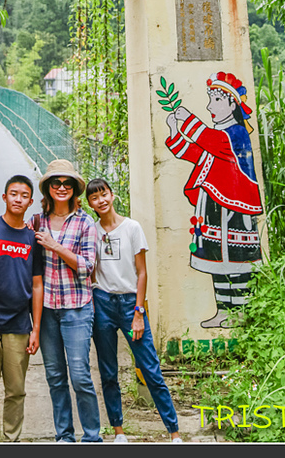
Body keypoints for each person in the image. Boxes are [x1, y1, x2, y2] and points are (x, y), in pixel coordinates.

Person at [86, 177, 182, 444]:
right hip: (102, 301)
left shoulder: (132, 228)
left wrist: (139, 312)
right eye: (94, 198)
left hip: (130, 304)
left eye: (103, 194)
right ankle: (119, 432)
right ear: (90, 203)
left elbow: (142, 273)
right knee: (108, 372)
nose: (101, 200)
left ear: (112, 195)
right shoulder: (92, 231)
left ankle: (174, 432)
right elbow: (91, 270)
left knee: (150, 368)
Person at [165, 71, 263, 327]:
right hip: (213, 206)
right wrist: (175, 132)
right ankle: (223, 310)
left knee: (236, 261)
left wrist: (188, 121)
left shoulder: (236, 134)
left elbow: (211, 141)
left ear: (232, 104)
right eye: (210, 100)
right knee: (216, 260)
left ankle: (239, 313)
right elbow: (196, 153)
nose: (210, 106)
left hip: (234, 207)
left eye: (217, 100)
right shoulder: (219, 136)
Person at [34, 159, 102, 443]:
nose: (61, 187)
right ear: (48, 188)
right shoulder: (37, 222)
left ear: (74, 189)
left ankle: (92, 437)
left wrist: (56, 246)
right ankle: (64, 435)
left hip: (77, 308)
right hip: (48, 309)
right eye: (56, 183)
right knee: (55, 376)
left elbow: (87, 267)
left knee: (79, 375)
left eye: (67, 183)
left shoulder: (86, 223)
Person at [0, 174, 44, 442]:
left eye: (24, 195)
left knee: (16, 390)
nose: (18, 199)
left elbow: (36, 285)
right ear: (4, 197)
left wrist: (36, 328)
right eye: (13, 194)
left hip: (19, 325)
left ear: (30, 202)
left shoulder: (32, 238)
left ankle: (11, 440)